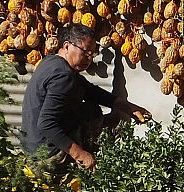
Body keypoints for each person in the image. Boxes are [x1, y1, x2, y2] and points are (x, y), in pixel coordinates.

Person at [20, 23, 150, 171]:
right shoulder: (63, 76)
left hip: (32, 147)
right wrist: (80, 155)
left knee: (90, 109)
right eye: (85, 52)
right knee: (113, 122)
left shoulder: (51, 62)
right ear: (67, 46)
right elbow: (46, 124)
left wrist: (129, 107)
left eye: (92, 54)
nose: (89, 59)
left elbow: (90, 91)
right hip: (49, 153)